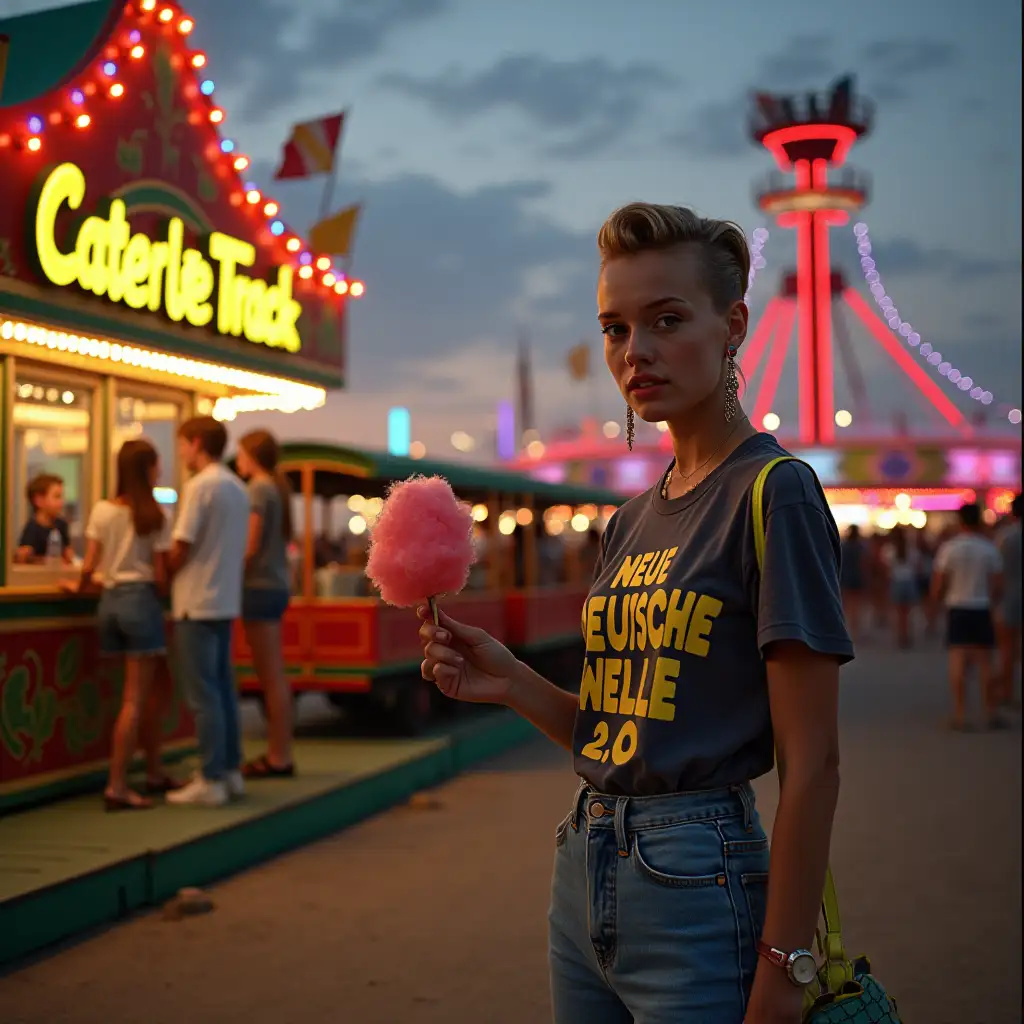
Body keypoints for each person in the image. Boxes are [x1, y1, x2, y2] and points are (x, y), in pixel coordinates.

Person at [418, 203, 852, 1023]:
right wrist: (511, 682)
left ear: (733, 326)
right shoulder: (630, 518)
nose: (634, 352)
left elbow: (814, 764)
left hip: (698, 875)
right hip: (582, 865)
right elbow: (625, 735)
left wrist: (786, 969)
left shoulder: (775, 493)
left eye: (665, 320)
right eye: (615, 328)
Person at [71, 440, 180, 810]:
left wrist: (79, 586)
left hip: (109, 604)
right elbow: (162, 578)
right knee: (136, 699)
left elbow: (89, 566)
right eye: (157, 465)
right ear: (147, 469)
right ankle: (117, 785)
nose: (160, 471)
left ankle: (152, 769)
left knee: (141, 694)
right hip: (140, 603)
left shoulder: (102, 510)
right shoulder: (154, 516)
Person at [166, 416, 250, 806]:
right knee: (223, 689)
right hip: (225, 600)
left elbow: (181, 544)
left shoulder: (199, 487)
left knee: (203, 695)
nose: (181, 452)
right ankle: (231, 770)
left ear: (197, 443)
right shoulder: (236, 486)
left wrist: (160, 570)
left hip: (194, 602)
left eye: (183, 444)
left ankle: (210, 776)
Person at [235, 429, 295, 778]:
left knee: (270, 675)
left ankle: (278, 756)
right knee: (274, 674)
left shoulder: (257, 488)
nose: (238, 459)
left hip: (258, 586)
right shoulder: (275, 488)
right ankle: (280, 752)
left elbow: (250, 544)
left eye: (241, 453)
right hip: (273, 585)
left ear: (252, 455)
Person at [931, 502, 1004, 731]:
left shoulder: (949, 548)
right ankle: (990, 712)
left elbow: (939, 583)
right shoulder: (988, 548)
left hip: (957, 607)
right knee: (985, 662)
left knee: (958, 659)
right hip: (981, 606)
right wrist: (990, 599)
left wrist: (936, 603)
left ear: (960, 521)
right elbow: (998, 583)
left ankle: (961, 714)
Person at [995, 494, 1022, 709]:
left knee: (1007, 649)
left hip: (1009, 597)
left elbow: (997, 571)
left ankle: (1007, 692)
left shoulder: (1006, 537)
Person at [15, 473, 73, 564]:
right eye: (57, 497)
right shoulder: (32, 528)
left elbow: (68, 555)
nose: (61, 502)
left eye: (61, 497)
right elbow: (22, 558)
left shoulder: (62, 525)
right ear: (39, 501)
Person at [881, 526, 919, 648]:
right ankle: (906, 634)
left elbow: (886, 569)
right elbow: (918, 565)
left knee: (898, 612)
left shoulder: (888, 550)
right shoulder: (911, 549)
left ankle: (900, 636)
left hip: (896, 581)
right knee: (907, 612)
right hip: (909, 581)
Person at [839, 523, 867, 640]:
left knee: (846, 605)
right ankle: (855, 631)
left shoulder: (843, 546)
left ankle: (848, 629)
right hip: (857, 578)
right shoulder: (860, 547)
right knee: (856, 605)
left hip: (845, 578)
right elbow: (863, 563)